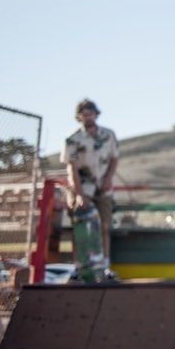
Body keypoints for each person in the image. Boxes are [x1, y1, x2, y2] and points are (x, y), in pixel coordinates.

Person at [61, 99, 119, 278]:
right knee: (80, 226)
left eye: (91, 114)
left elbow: (114, 158)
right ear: (79, 117)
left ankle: (105, 265)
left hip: (102, 185)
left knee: (103, 225)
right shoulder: (73, 138)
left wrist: (108, 180)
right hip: (82, 185)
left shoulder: (107, 135)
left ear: (96, 114)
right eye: (84, 114)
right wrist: (79, 194)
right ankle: (79, 267)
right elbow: (72, 167)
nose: (88, 117)